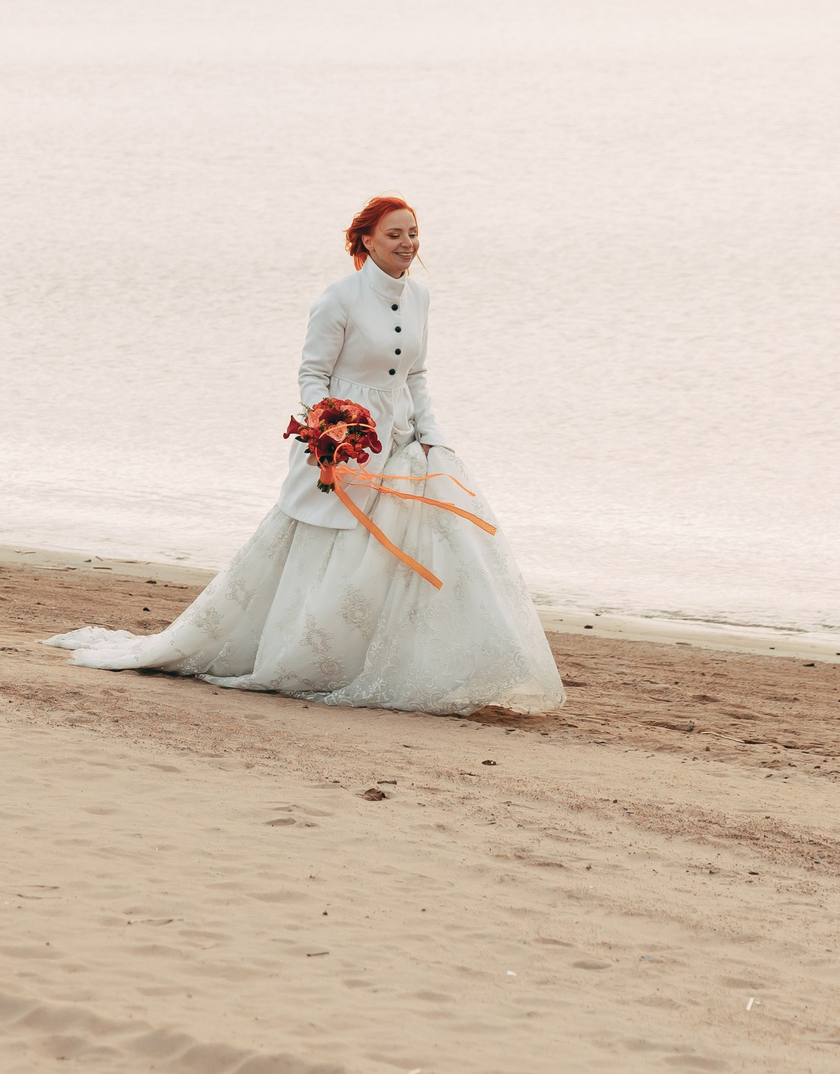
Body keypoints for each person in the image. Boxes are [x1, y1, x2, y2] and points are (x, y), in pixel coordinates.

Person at [50, 196, 565, 715]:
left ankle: (397, 658)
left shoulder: (420, 297)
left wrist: (432, 437)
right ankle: (308, 654)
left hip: (402, 443)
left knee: (416, 549)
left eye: (413, 233)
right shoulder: (339, 298)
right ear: (366, 240)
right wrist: (329, 430)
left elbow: (417, 376)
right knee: (331, 549)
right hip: (344, 447)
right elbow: (312, 374)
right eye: (394, 235)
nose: (407, 244)